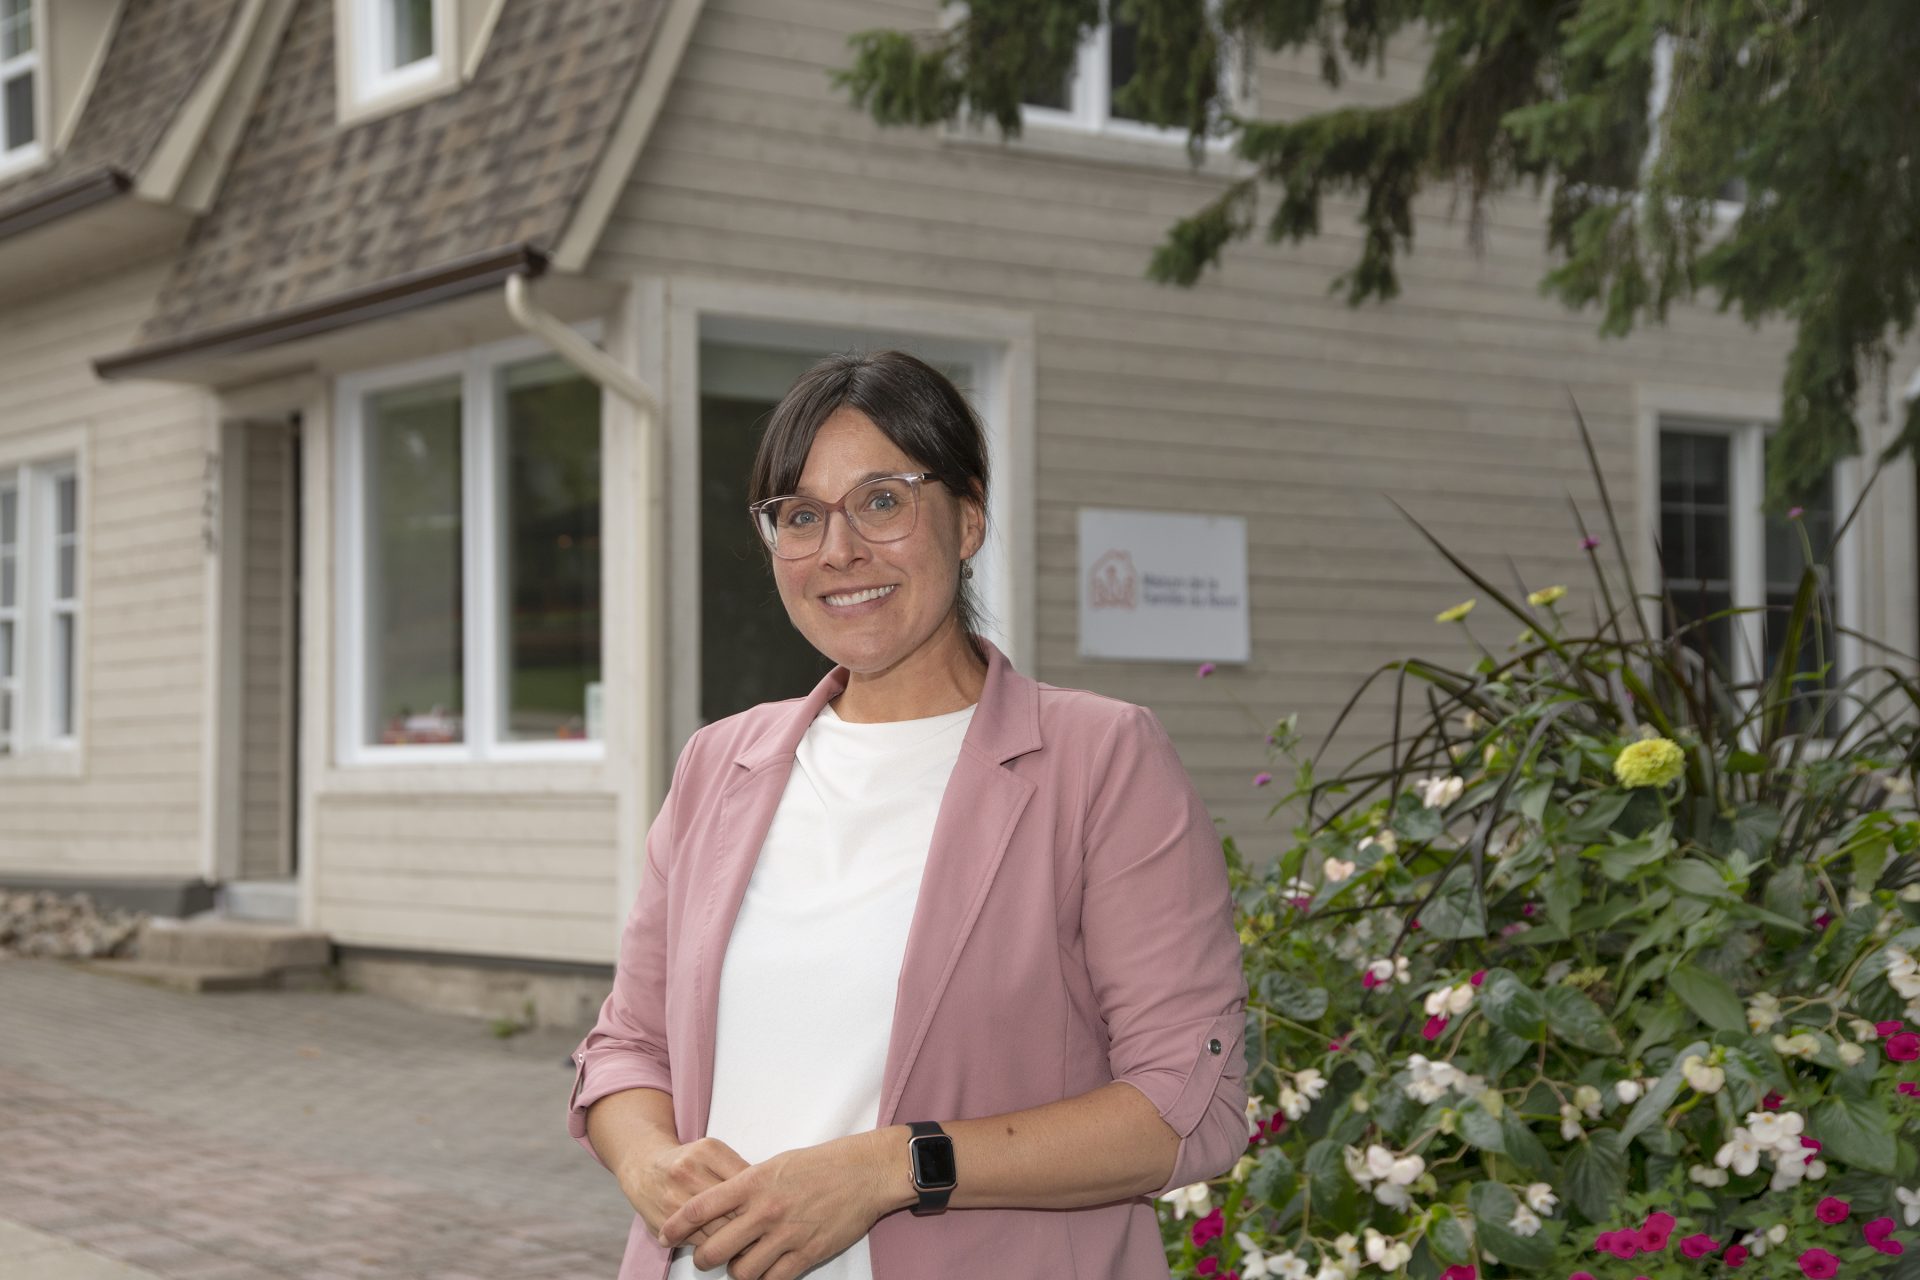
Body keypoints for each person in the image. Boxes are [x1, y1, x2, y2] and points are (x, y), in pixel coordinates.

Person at [566, 350, 1247, 1280]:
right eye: (800, 517)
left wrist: (893, 1166)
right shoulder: (719, 764)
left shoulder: (1101, 761)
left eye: (882, 500)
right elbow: (628, 1050)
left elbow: (1186, 1107)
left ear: (968, 519)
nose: (838, 551)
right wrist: (649, 1163)